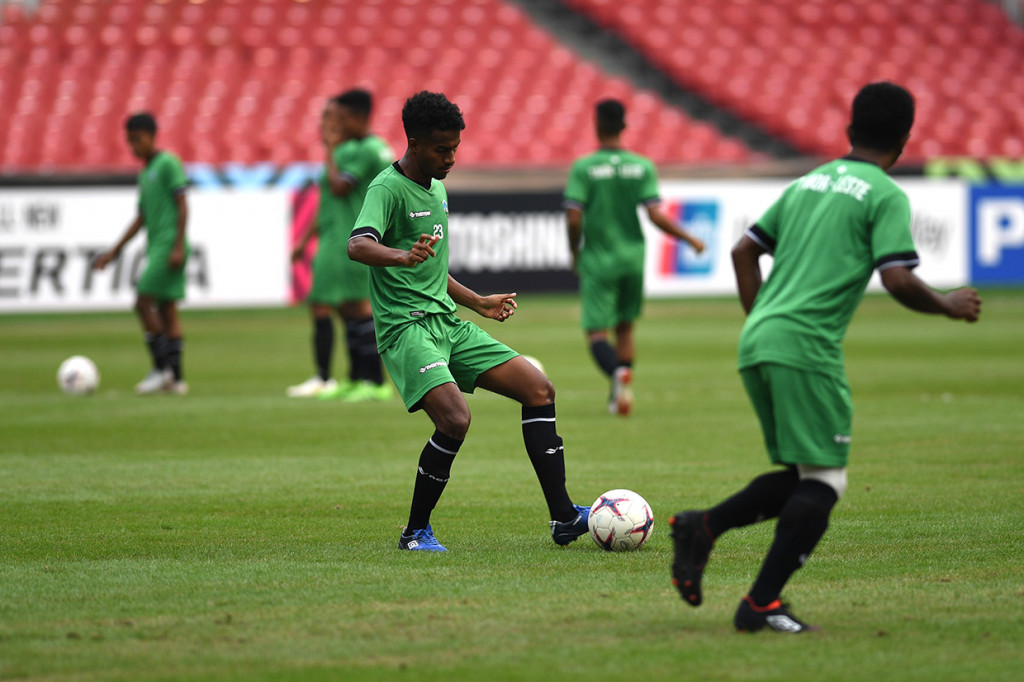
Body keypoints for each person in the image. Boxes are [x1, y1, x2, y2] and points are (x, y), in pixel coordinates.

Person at [668, 82, 981, 633]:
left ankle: (702, 526)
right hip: (805, 345)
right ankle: (760, 603)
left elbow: (745, 250)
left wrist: (762, 320)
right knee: (826, 481)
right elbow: (897, 277)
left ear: (848, 129)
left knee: (798, 472)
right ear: (905, 141)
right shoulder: (884, 193)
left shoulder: (807, 182)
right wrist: (948, 306)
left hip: (760, 338)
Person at [348, 91, 590, 552]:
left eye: (456, 147)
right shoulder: (386, 188)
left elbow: (433, 271)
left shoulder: (437, 188)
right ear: (414, 144)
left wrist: (477, 302)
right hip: (407, 329)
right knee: (456, 420)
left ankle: (562, 517)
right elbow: (358, 245)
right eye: (442, 149)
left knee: (539, 389)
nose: (451, 157)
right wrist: (401, 255)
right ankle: (415, 532)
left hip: (447, 323)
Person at [564, 99, 705, 416]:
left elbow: (574, 218)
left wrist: (574, 251)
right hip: (633, 258)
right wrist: (690, 238)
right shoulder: (642, 166)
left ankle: (616, 374)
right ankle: (620, 393)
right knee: (625, 327)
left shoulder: (584, 168)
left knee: (597, 332)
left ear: (596, 125)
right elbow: (656, 215)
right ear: (624, 126)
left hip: (600, 259)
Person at [287, 90, 394, 402]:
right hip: (337, 238)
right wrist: (307, 238)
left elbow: (338, 186)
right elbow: (330, 202)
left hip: (353, 239)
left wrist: (330, 150)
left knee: (356, 307)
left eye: (339, 118)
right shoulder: (358, 149)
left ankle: (372, 382)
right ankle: (356, 377)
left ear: (358, 118)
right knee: (347, 307)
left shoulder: (362, 151)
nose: (334, 125)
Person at [94, 112, 190, 395]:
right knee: (167, 309)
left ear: (152, 136)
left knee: (141, 302)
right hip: (158, 245)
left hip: (168, 245)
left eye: (137, 139)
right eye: (130, 141)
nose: (133, 146)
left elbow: (183, 205)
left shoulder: (168, 164)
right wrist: (114, 252)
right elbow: (141, 218)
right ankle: (177, 379)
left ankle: (161, 370)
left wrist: (177, 245)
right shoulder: (146, 172)